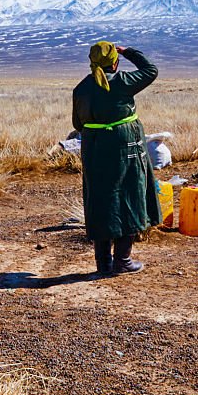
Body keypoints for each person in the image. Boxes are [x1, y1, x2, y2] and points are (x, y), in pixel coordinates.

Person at [73, 41, 162, 275]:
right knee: (129, 196)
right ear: (115, 61)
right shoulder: (122, 81)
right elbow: (151, 70)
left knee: (101, 199)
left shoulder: (81, 88)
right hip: (125, 146)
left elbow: (77, 124)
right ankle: (122, 260)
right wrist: (129, 51)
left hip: (93, 148)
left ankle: (103, 264)